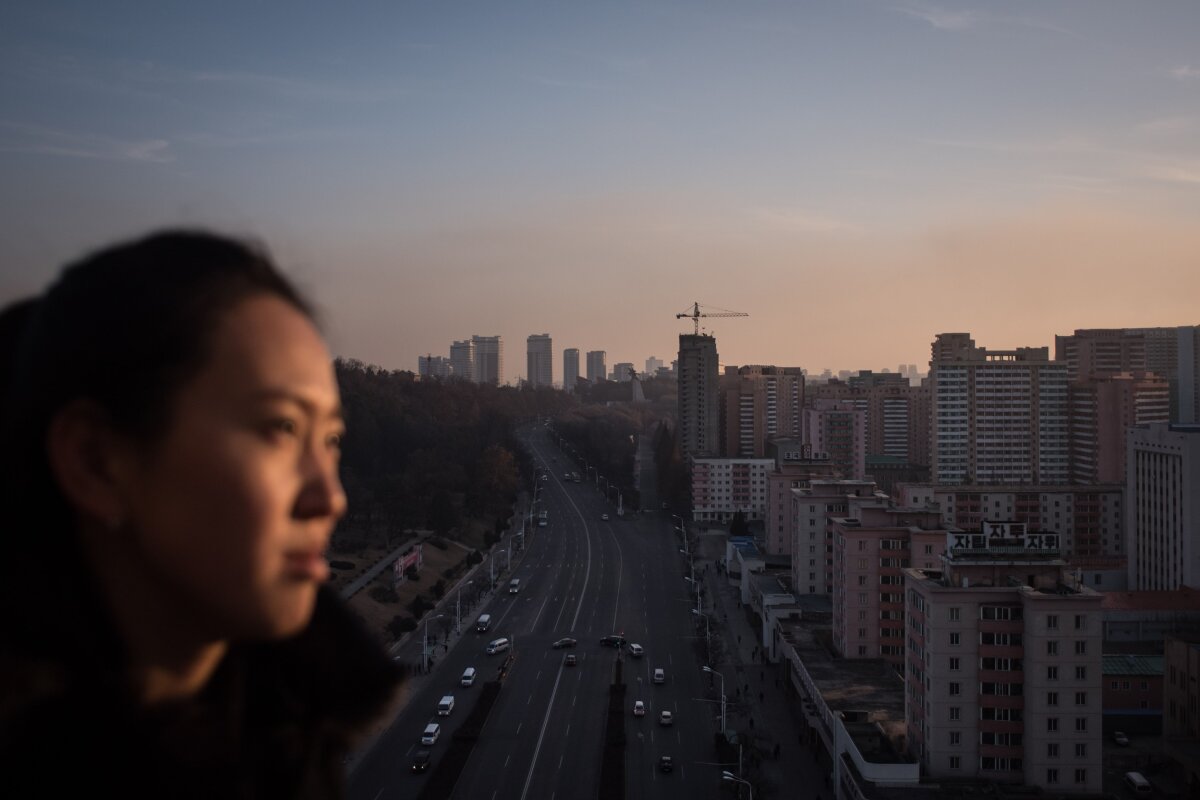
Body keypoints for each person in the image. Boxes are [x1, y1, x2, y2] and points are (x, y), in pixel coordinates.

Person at [0, 230, 405, 797]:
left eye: (332, 439)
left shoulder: (290, 743)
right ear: (96, 462)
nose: (330, 497)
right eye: (281, 428)